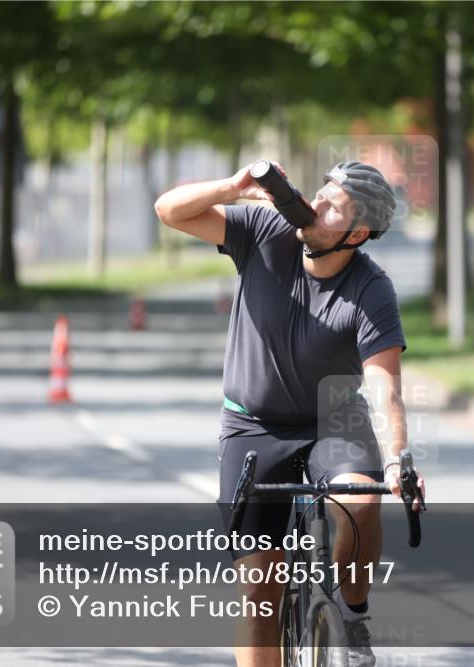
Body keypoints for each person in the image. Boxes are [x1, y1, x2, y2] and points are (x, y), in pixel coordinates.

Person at [155, 160, 427, 667]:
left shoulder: (371, 289)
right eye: (320, 194)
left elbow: (384, 386)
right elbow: (169, 211)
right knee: (260, 591)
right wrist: (232, 188)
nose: (315, 205)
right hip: (252, 424)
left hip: (333, 419)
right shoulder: (265, 229)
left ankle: (353, 616)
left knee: (361, 501)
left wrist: (396, 459)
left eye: (333, 206)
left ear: (356, 233)